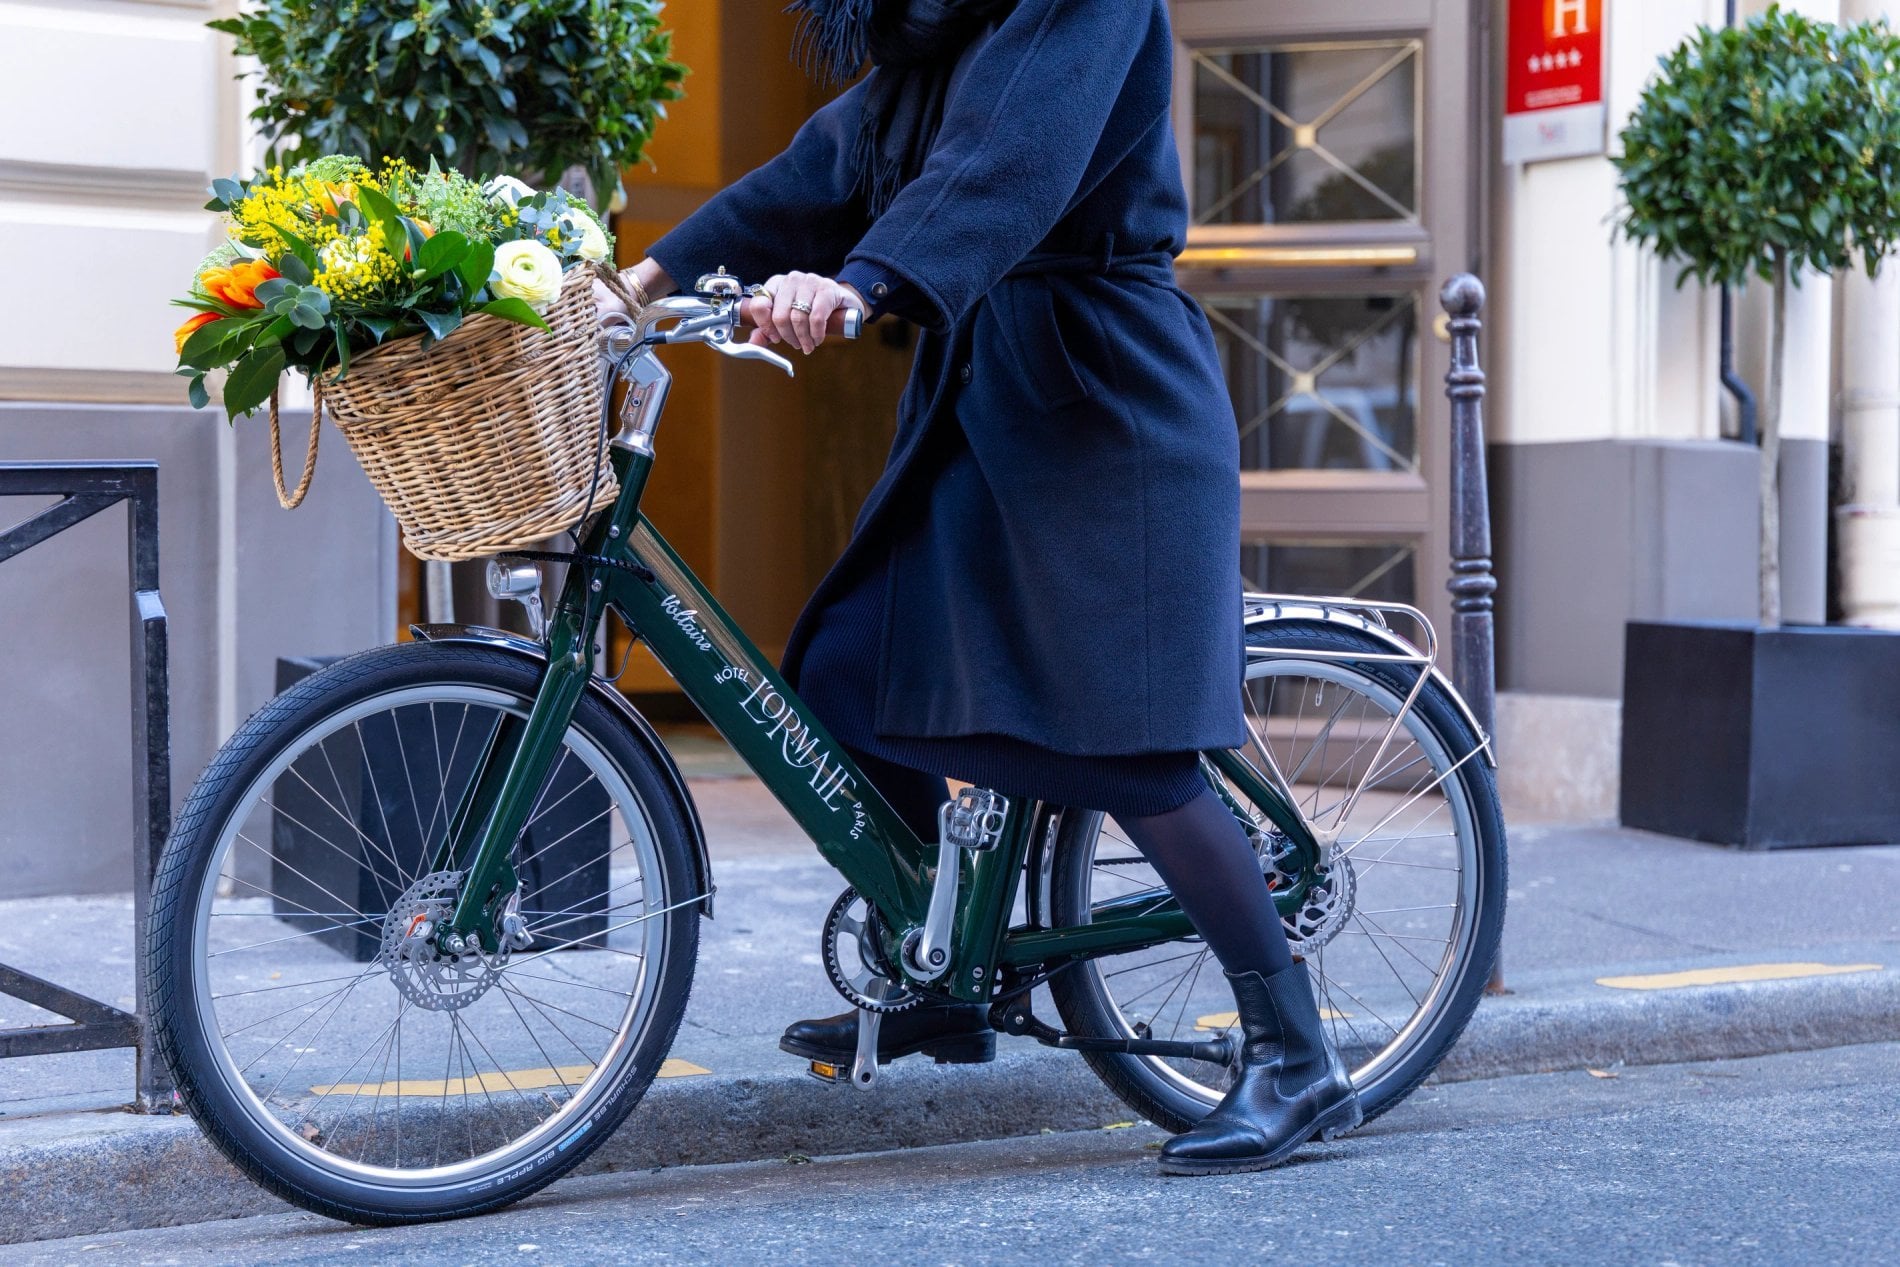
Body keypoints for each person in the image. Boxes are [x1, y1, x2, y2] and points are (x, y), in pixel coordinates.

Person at [596, 0, 1358, 1175]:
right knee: (853, 669)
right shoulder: (930, 37)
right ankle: (946, 967)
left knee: (1126, 743)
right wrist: (637, 278)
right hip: (989, 389)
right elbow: (819, 169)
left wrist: (861, 286)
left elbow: (1007, 163)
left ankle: (1293, 1054)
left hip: (1107, 398)